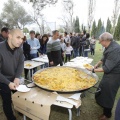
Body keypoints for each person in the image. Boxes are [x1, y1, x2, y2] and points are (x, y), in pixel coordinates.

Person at [87, 32, 120, 120]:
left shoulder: (115, 49)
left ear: (105, 41)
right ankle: (102, 104)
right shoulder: (109, 46)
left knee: (109, 94)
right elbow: (104, 57)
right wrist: (97, 64)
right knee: (102, 89)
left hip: (114, 75)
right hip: (109, 74)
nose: (100, 43)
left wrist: (93, 70)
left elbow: (107, 68)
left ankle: (107, 114)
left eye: (100, 41)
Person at [0, 29, 24, 120]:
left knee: (20, 96)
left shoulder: (19, 49)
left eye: (22, 38)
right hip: (2, 80)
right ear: (9, 36)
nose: (21, 41)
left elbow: (21, 63)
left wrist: (17, 78)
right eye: (18, 37)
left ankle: (21, 111)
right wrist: (8, 82)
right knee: (7, 101)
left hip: (14, 78)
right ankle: (11, 118)